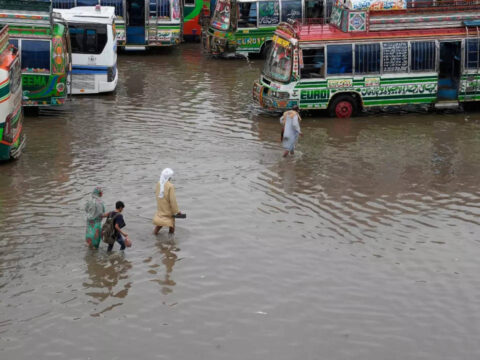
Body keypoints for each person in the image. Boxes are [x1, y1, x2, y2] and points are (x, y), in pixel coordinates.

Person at [153, 168, 181, 235]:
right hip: (168, 209)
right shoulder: (170, 186)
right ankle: (171, 240)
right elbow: (173, 200)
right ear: (169, 177)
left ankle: (154, 235)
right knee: (172, 224)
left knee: (160, 223)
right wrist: (177, 211)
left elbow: (157, 194)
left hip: (160, 207)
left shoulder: (158, 183)